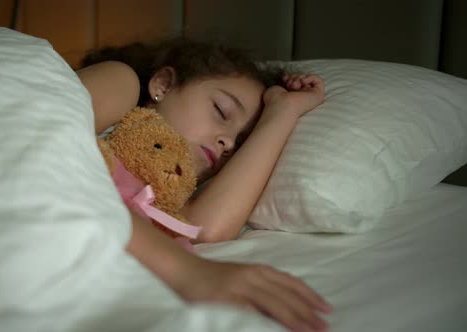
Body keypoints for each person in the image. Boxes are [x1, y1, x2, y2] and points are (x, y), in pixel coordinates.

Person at [77, 38, 331, 332]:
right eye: (222, 111)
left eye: (240, 146)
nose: (229, 143)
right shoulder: (121, 82)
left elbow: (206, 229)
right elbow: (44, 145)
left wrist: (283, 111)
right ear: (162, 84)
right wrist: (187, 271)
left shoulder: (164, 200)